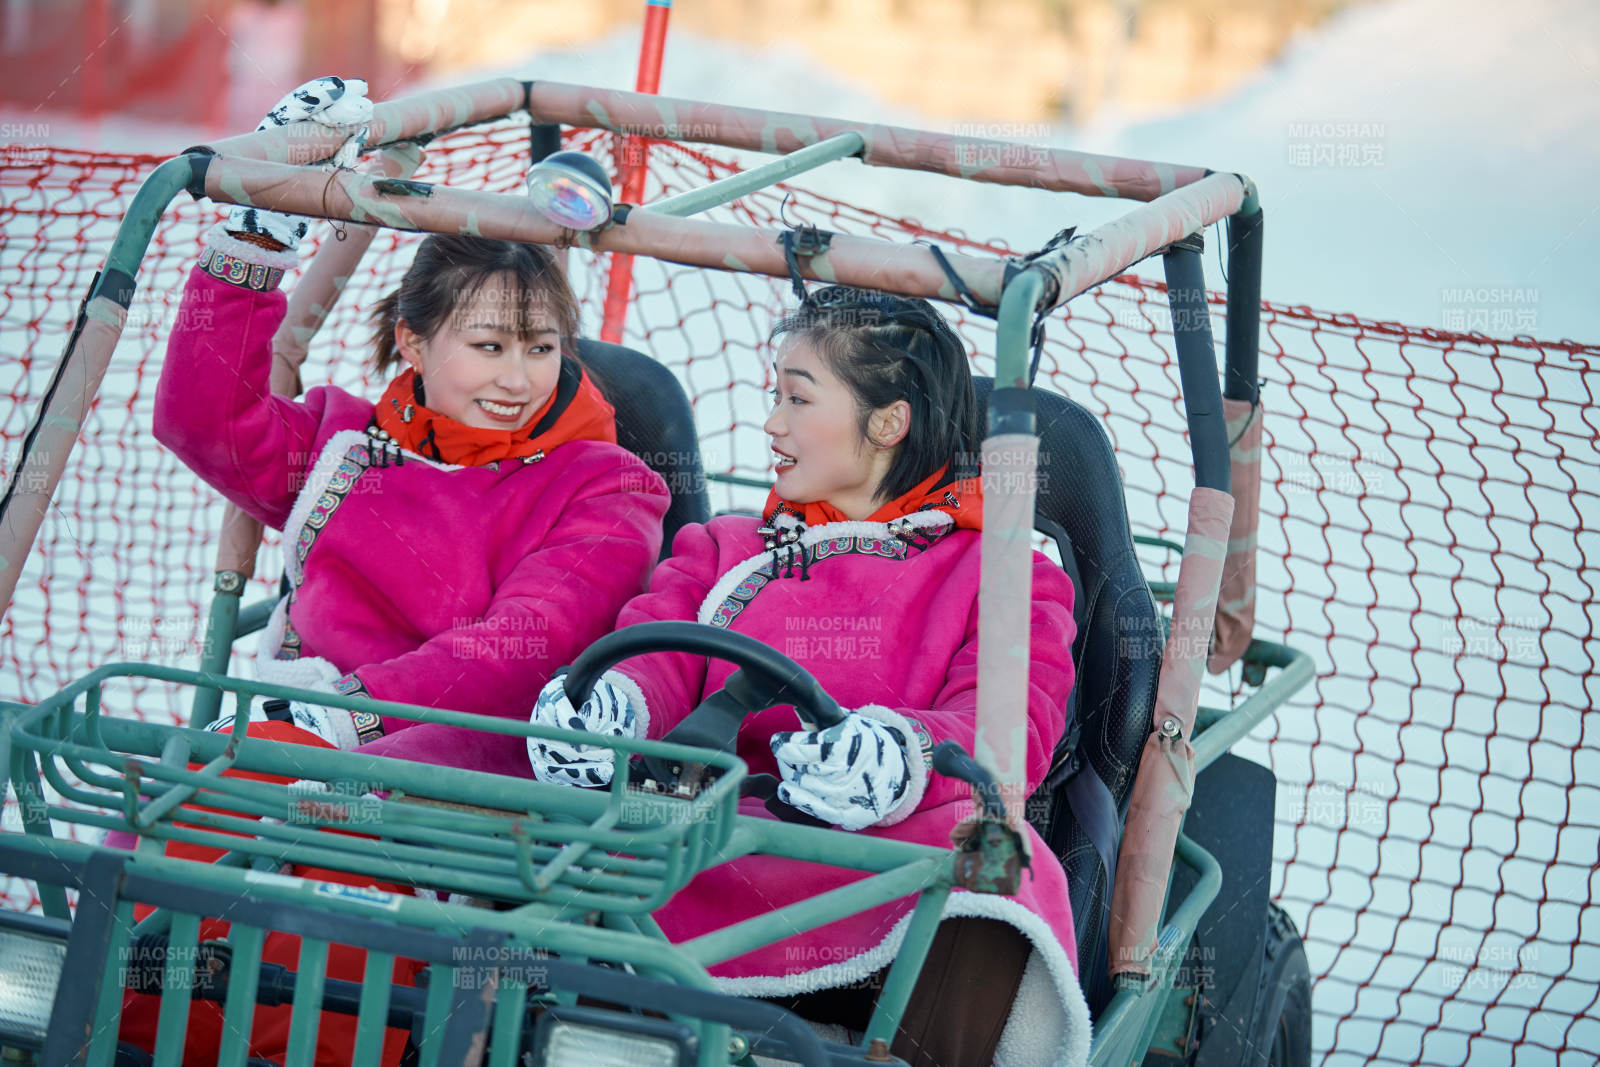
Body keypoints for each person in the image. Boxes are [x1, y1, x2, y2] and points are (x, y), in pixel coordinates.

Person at [116, 77, 669, 1066]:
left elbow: (526, 642)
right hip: (287, 750)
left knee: (312, 939)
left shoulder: (605, 486)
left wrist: (352, 709)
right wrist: (255, 239)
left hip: (450, 785)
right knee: (146, 882)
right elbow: (203, 421)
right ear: (413, 342)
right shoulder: (349, 447)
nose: (517, 376)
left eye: (542, 347)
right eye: (489, 345)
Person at [527, 287, 1093, 1066]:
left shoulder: (1001, 574)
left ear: (887, 422)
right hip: (708, 851)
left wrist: (899, 753)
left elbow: (1006, 729)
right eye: (774, 396)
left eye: (797, 398)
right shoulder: (729, 547)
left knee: (997, 850)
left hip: (881, 870)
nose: (772, 423)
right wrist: (615, 704)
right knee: (561, 818)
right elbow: (659, 652)